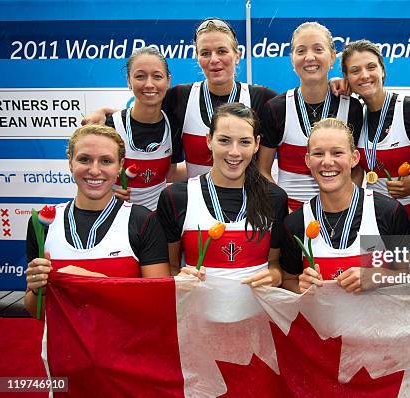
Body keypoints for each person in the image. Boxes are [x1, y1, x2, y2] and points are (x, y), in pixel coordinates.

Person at [83, 18, 278, 179]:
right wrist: (105, 114)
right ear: (197, 58)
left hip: (248, 204)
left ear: (237, 56)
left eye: (222, 51)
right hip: (197, 205)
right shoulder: (179, 97)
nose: (214, 60)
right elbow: (144, 114)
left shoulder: (261, 98)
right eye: (205, 53)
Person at [24, 125, 171, 317]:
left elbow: (157, 303)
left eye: (106, 161)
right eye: (84, 159)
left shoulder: (143, 220)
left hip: (124, 345)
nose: (94, 170)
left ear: (120, 166)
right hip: (62, 346)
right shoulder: (43, 223)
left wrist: (89, 280)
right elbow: (37, 311)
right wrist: (37, 290)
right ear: (70, 162)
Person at [156, 103, 288, 286]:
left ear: (257, 144)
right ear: (209, 140)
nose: (234, 152)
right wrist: (178, 277)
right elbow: (169, 266)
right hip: (197, 313)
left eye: (244, 142)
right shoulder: (176, 197)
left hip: (260, 313)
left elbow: (274, 262)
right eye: (224, 140)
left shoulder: (275, 198)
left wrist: (275, 275)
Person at [280, 118, 409, 294]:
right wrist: (300, 287)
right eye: (318, 154)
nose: (327, 162)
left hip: (378, 320)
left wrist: (377, 276)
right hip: (322, 321)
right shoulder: (295, 223)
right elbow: (288, 280)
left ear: (354, 158)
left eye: (337, 153)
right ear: (308, 161)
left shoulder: (389, 212)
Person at [259, 22, 363, 211]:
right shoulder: (275, 109)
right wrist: (283, 210)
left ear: (332, 57)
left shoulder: (352, 108)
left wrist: (345, 209)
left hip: (339, 211)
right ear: (292, 59)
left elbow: (356, 169)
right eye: (301, 51)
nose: (309, 57)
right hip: (289, 215)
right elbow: (263, 170)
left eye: (318, 49)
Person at [341, 39, 410, 216]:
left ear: (382, 71)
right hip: (375, 215)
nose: (364, 75)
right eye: (355, 70)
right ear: (347, 79)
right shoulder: (353, 115)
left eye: (371, 67)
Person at [106, 46, 182, 210]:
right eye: (140, 76)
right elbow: (91, 174)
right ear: (128, 80)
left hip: (158, 221)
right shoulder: (110, 126)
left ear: (168, 81)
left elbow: (171, 173)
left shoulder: (174, 125)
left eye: (157, 76)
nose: (149, 84)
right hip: (117, 218)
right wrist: (104, 193)